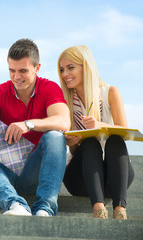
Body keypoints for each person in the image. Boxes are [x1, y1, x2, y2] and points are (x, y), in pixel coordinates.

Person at [0, 38, 70, 217]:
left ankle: (45, 209)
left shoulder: (50, 88)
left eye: (23, 71)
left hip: (34, 172)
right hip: (3, 173)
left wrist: (29, 124)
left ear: (37, 68)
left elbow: (63, 121)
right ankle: (15, 205)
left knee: (55, 136)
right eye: (12, 70)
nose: (16, 77)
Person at [58, 45, 135, 220]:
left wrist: (99, 125)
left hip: (114, 177)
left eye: (70, 68)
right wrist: (72, 142)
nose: (64, 74)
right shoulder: (65, 100)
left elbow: (125, 131)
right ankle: (99, 209)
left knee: (116, 140)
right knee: (90, 142)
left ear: (86, 67)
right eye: (62, 69)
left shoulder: (110, 92)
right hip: (82, 179)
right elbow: (74, 152)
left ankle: (120, 208)